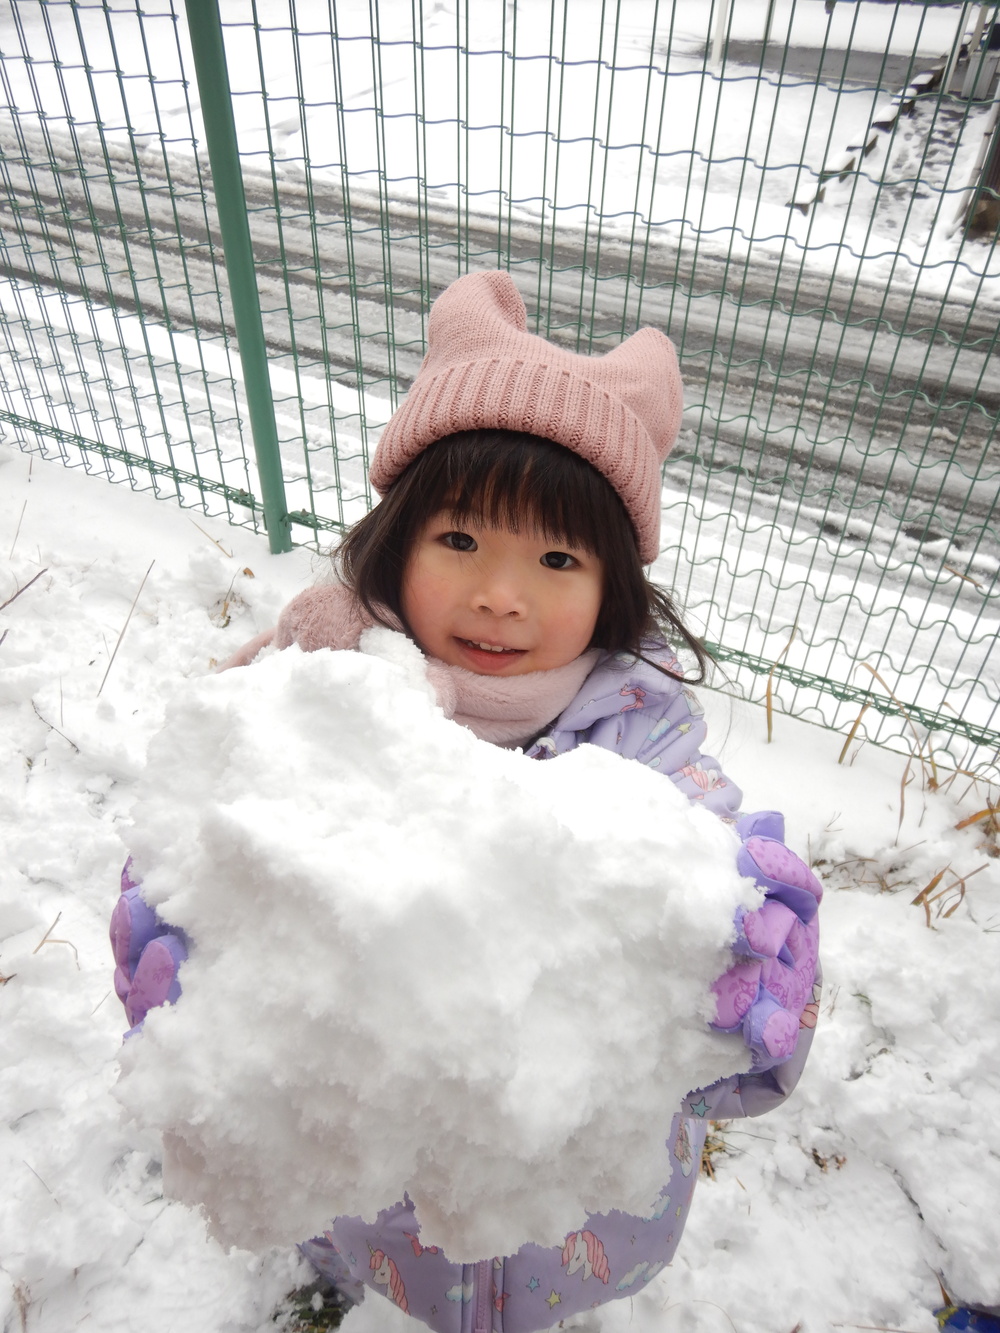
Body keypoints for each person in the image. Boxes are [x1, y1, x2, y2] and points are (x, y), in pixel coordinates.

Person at [110, 270, 822, 1333]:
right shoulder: (314, 700)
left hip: (562, 1217)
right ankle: (351, 1276)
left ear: (612, 583)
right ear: (396, 538)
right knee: (373, 1231)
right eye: (460, 540)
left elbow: (694, 1022)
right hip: (375, 1176)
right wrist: (184, 926)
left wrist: (764, 1002)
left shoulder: (652, 761)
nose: (502, 592)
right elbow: (221, 846)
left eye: (555, 556)